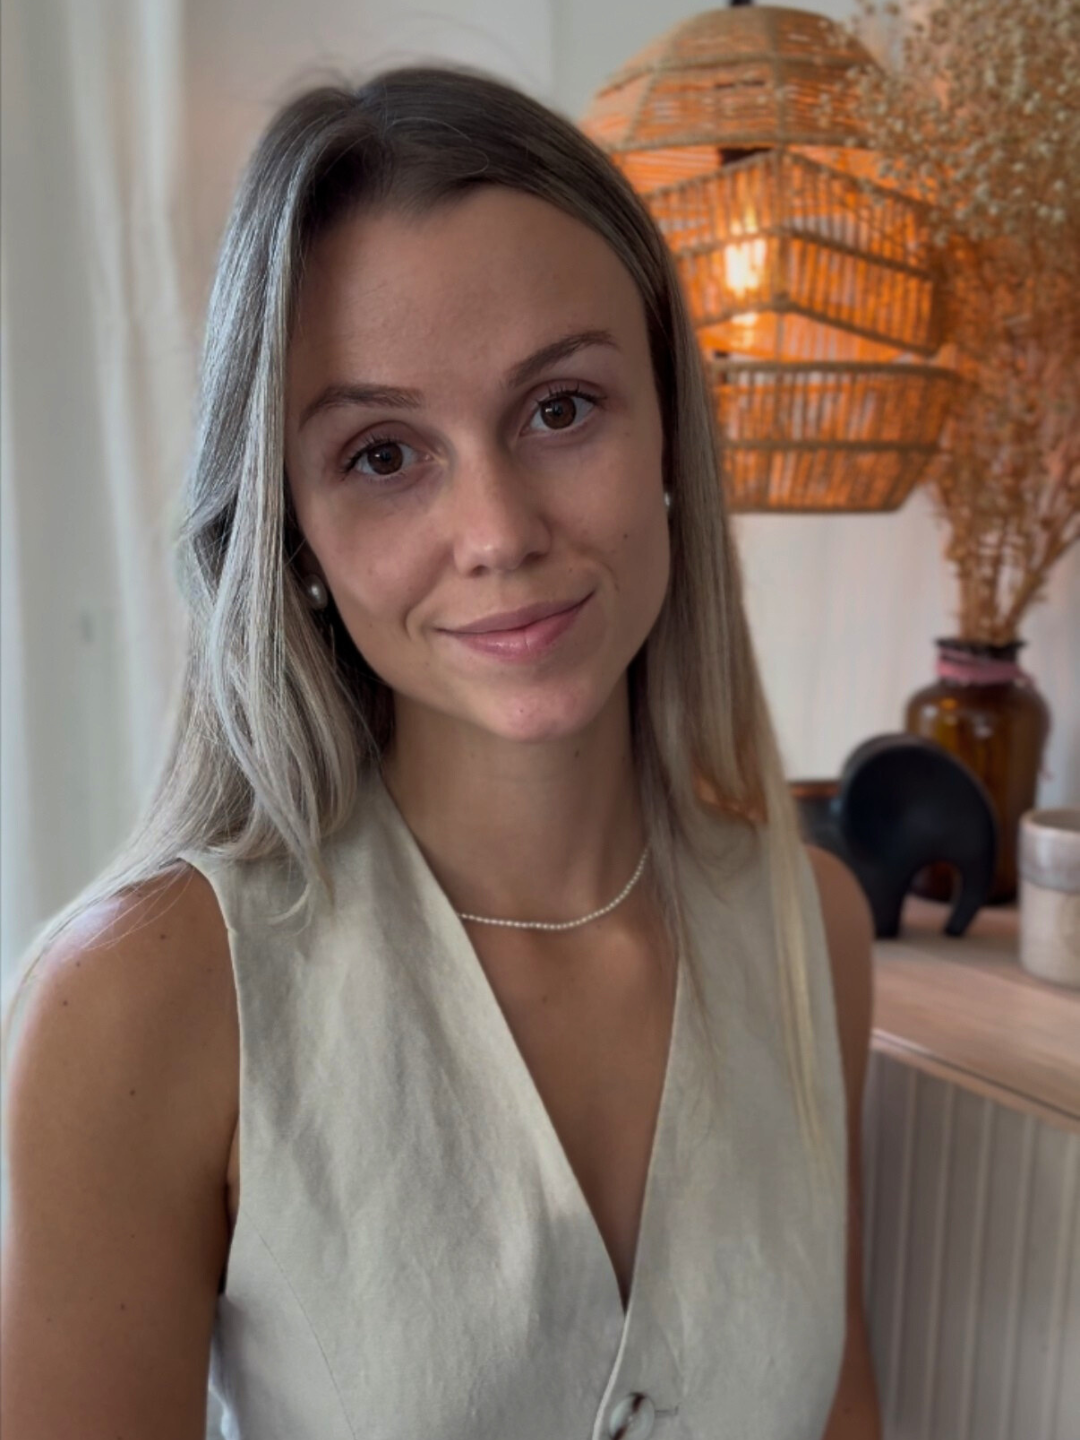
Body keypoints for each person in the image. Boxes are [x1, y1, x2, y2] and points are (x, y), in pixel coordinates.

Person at [0, 63, 881, 1439]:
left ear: (668, 431)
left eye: (561, 408)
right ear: (292, 528)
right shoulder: (145, 1000)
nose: (499, 533)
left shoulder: (809, 929)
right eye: (383, 454)